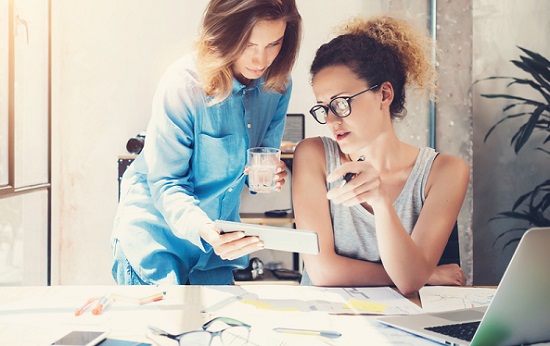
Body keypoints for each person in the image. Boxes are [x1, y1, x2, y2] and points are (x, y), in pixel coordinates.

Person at [111, 0, 302, 285]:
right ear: (224, 33)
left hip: (214, 250)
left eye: (273, 44)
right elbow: (166, 183)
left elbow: (256, 170)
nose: (260, 60)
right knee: (162, 328)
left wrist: (268, 175)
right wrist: (205, 229)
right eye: (249, 44)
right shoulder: (184, 84)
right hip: (156, 240)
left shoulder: (277, 84)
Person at [292, 16, 468, 295]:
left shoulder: (445, 171)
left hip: (403, 323)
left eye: (341, 103)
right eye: (323, 107)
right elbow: (322, 272)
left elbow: (410, 281)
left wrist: (381, 202)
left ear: (384, 94)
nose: (331, 119)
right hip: (324, 321)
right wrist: (426, 274)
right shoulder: (314, 155)